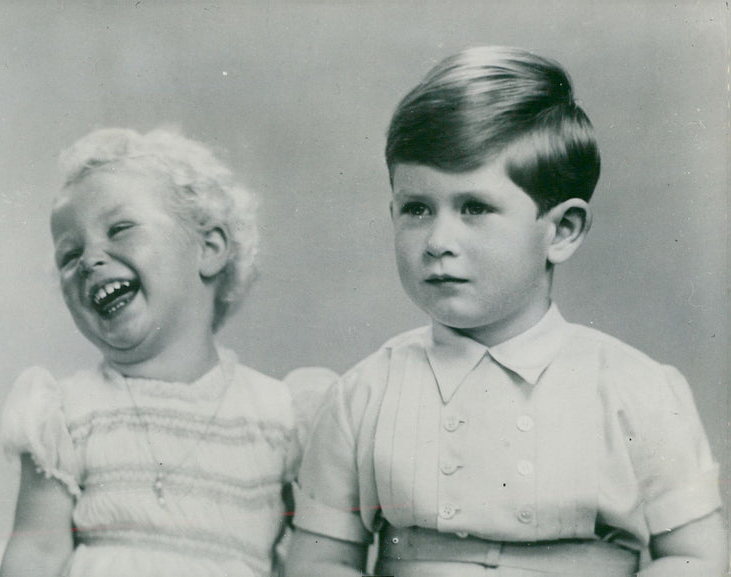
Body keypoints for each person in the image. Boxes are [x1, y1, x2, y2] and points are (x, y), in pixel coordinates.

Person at [285, 46, 727, 576]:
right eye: (417, 209)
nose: (438, 240)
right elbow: (320, 561)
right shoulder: (364, 397)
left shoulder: (637, 391)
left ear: (562, 230)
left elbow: (695, 557)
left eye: (475, 208)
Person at [0, 128, 327, 577]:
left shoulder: (279, 417)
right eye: (69, 255)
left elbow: (316, 560)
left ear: (209, 250)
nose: (91, 258)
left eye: (120, 229)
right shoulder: (66, 414)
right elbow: (36, 555)